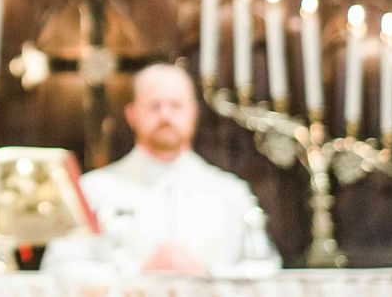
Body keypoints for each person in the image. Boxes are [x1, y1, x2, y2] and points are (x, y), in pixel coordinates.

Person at [42, 63, 280, 276]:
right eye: (154, 106)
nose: (165, 115)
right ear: (132, 114)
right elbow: (57, 270)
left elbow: (265, 270)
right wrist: (136, 274)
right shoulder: (92, 191)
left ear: (193, 112)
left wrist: (207, 274)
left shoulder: (231, 193)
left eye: (175, 105)